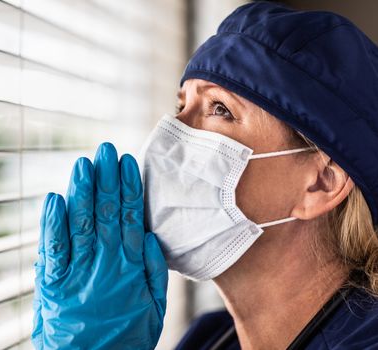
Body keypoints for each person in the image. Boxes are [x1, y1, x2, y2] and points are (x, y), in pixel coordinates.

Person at [31, 2, 378, 349]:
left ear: (321, 183)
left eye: (219, 109)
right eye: (182, 106)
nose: (168, 134)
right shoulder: (209, 338)